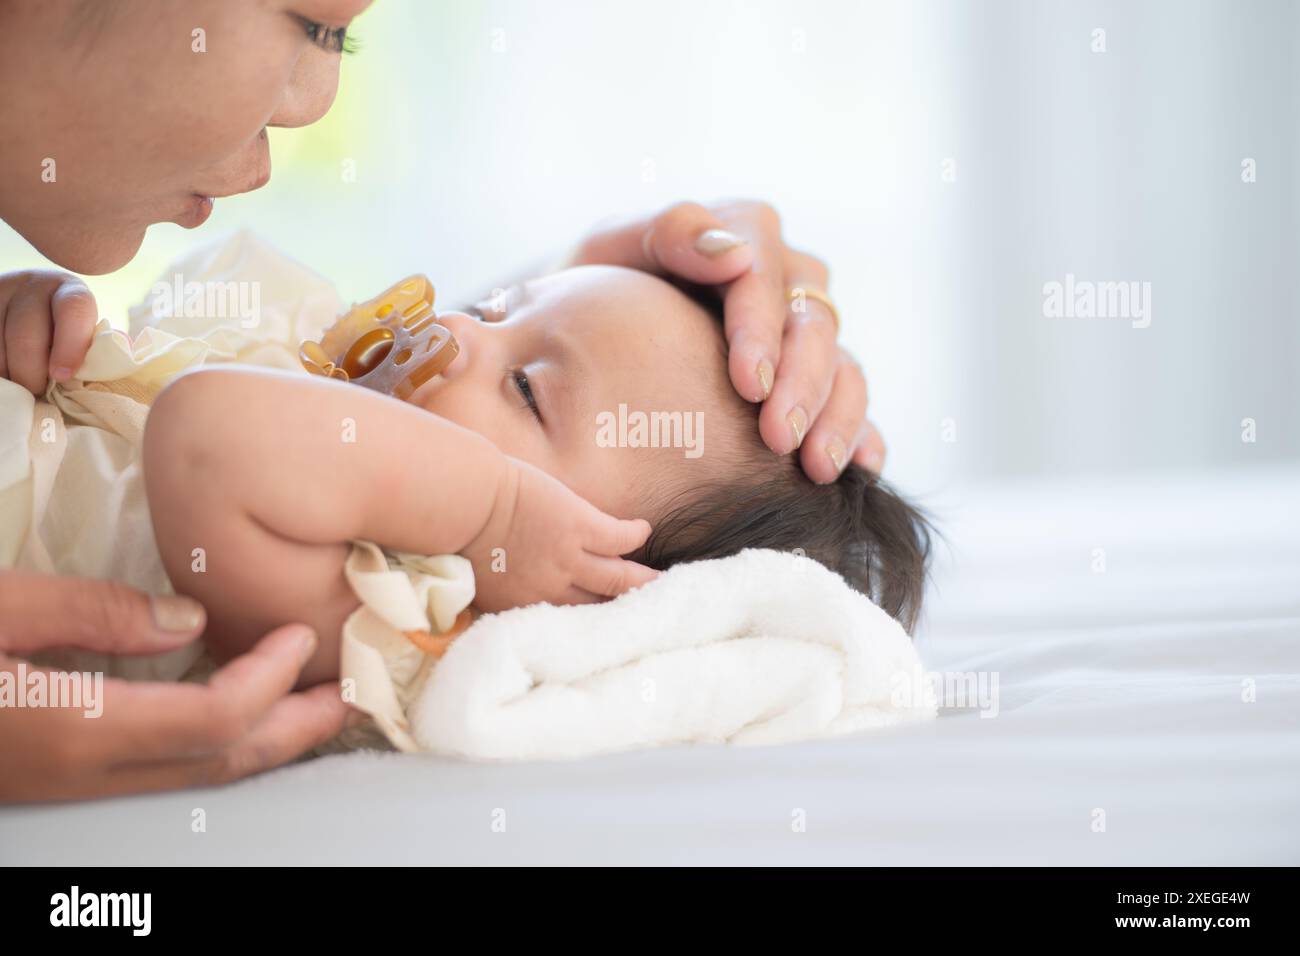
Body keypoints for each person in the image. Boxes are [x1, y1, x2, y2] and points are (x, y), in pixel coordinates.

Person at [0, 0, 883, 800]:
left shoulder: (385, 615)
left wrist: (494, 513)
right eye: (492, 307)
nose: (455, 332)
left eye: (528, 390)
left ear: (586, 589)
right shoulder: (332, 409)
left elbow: (205, 431)